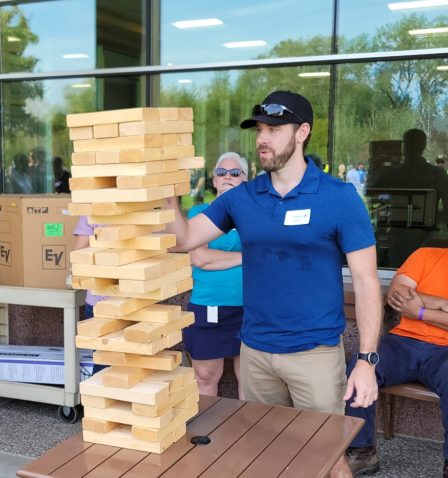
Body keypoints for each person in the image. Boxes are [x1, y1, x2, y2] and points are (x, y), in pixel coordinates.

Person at [164, 91, 382, 423]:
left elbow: (367, 282)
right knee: (263, 455)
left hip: (315, 355)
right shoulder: (243, 197)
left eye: (273, 130)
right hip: (255, 353)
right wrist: (167, 194)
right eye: (259, 131)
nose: (262, 140)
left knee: (322, 455)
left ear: (302, 132)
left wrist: (366, 360)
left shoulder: (339, 198)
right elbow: (184, 240)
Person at [345, 200, 448, 477]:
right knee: (359, 366)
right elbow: (399, 296)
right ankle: (363, 451)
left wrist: (419, 309)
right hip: (404, 342)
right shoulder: (425, 256)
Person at [183, 152, 247, 399]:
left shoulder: (254, 214)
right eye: (222, 173)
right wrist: (246, 258)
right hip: (208, 306)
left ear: (245, 178)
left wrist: (219, 258)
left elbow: (265, 255)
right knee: (205, 378)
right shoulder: (198, 213)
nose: (227, 177)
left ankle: (246, 436)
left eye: (234, 173)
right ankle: (209, 435)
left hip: (250, 307)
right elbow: (200, 258)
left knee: (251, 382)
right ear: (214, 180)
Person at [368, 129, 448, 267]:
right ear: (424, 146)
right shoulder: (438, 174)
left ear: (404, 148)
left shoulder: (391, 174)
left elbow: (371, 193)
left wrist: (378, 166)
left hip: (398, 238)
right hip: (428, 238)